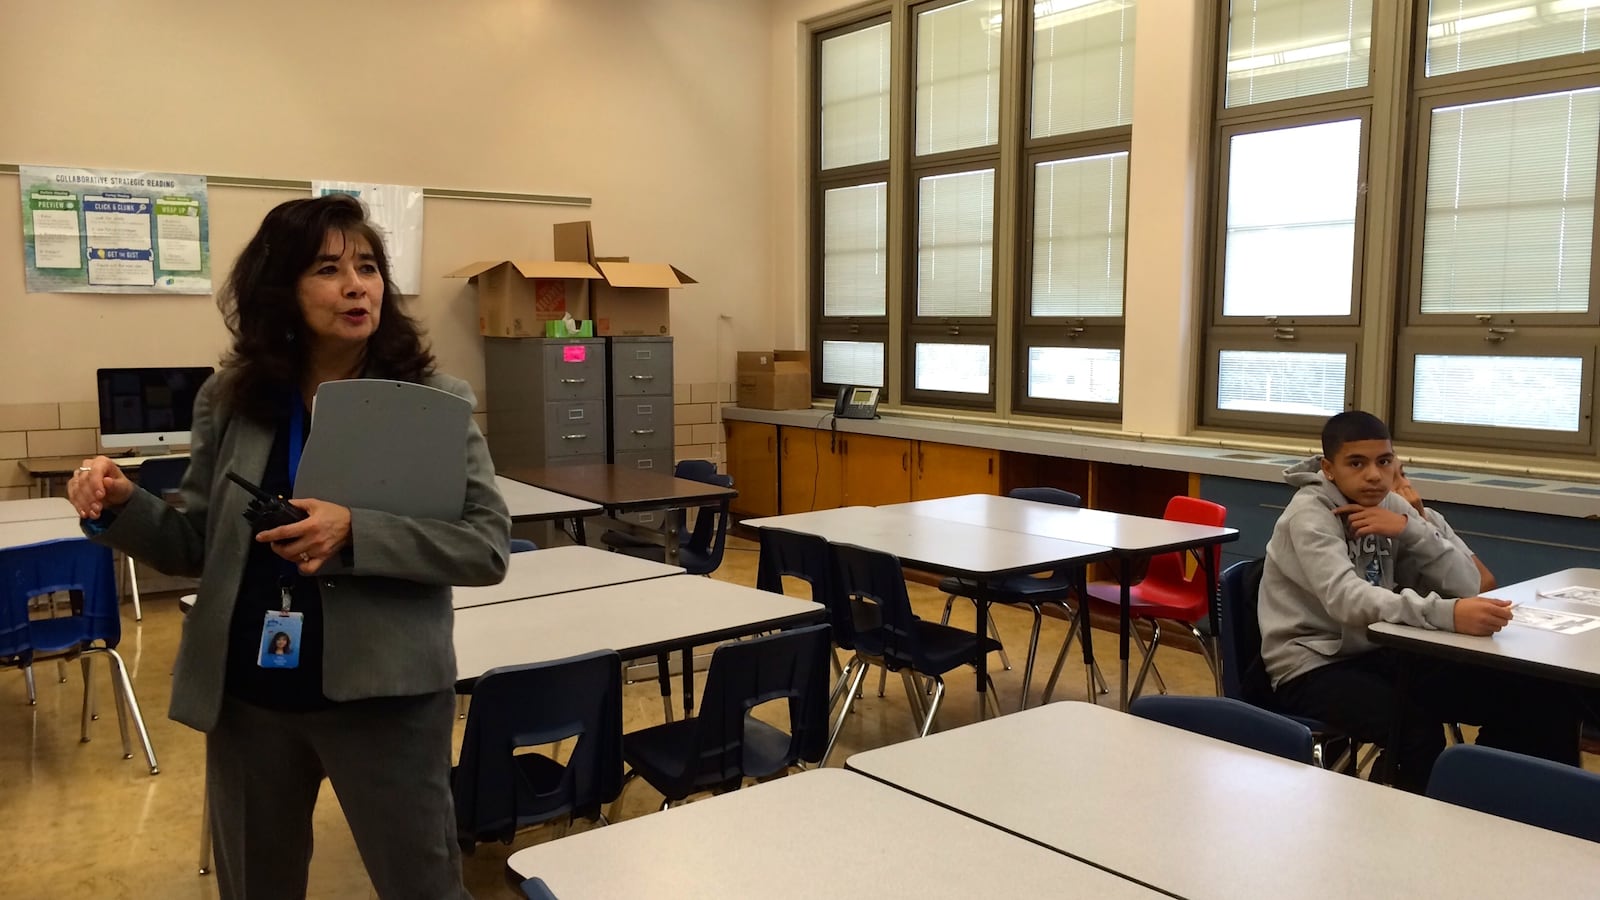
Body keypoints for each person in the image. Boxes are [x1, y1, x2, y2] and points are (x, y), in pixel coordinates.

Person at [69, 194, 510, 899]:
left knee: (421, 884)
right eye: (328, 269)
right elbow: (194, 543)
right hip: (249, 699)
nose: (356, 284)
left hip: (383, 698)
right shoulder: (232, 398)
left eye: (367, 267)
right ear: (280, 288)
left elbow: (485, 546)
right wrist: (124, 505)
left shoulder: (432, 401)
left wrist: (357, 531)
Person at [1258, 411, 1578, 792]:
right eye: (1356, 463)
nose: (1374, 475)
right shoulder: (1309, 514)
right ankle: (1414, 827)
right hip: (1313, 663)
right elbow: (1346, 599)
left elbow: (1470, 584)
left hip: (1380, 651)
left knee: (1534, 693)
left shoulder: (1390, 505)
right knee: (1415, 728)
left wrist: (1412, 530)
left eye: (1384, 461)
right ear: (1328, 468)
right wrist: (1446, 614)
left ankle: (1506, 802)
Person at [1393, 464, 1496, 592]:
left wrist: (1421, 525)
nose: (1406, 484)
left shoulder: (1430, 517)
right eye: (1392, 478)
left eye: (1403, 474)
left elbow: (1484, 584)